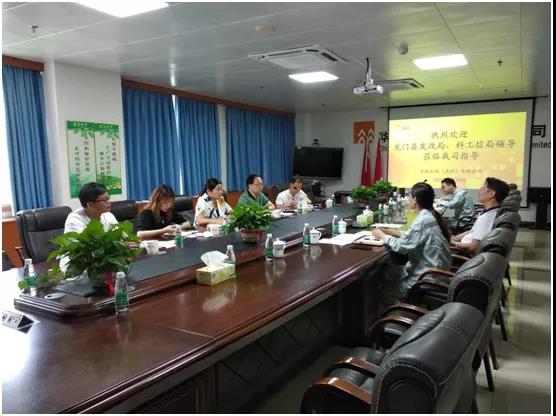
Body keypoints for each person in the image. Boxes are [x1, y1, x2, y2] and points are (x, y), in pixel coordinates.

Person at [371, 182, 451, 306]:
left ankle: (399, 313)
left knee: (383, 289)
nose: (408, 199)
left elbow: (402, 247)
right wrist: (387, 231)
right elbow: (411, 235)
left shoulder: (423, 220)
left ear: (415, 199)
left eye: (409, 196)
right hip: (433, 271)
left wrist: (382, 236)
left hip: (427, 277)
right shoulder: (429, 215)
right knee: (389, 271)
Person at [61, 182, 120, 272]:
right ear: (90, 204)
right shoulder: (74, 219)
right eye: (105, 200)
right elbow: (83, 249)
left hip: (104, 262)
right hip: (78, 266)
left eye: (108, 198)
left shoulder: (108, 215)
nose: (109, 203)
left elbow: (120, 235)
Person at [451, 177, 509, 254]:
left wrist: (452, 243)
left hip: (462, 252)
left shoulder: (486, 218)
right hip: (462, 243)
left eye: (484, 186)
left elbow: (472, 247)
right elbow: (472, 232)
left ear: (491, 194)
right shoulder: (490, 212)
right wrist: (453, 239)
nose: (480, 189)